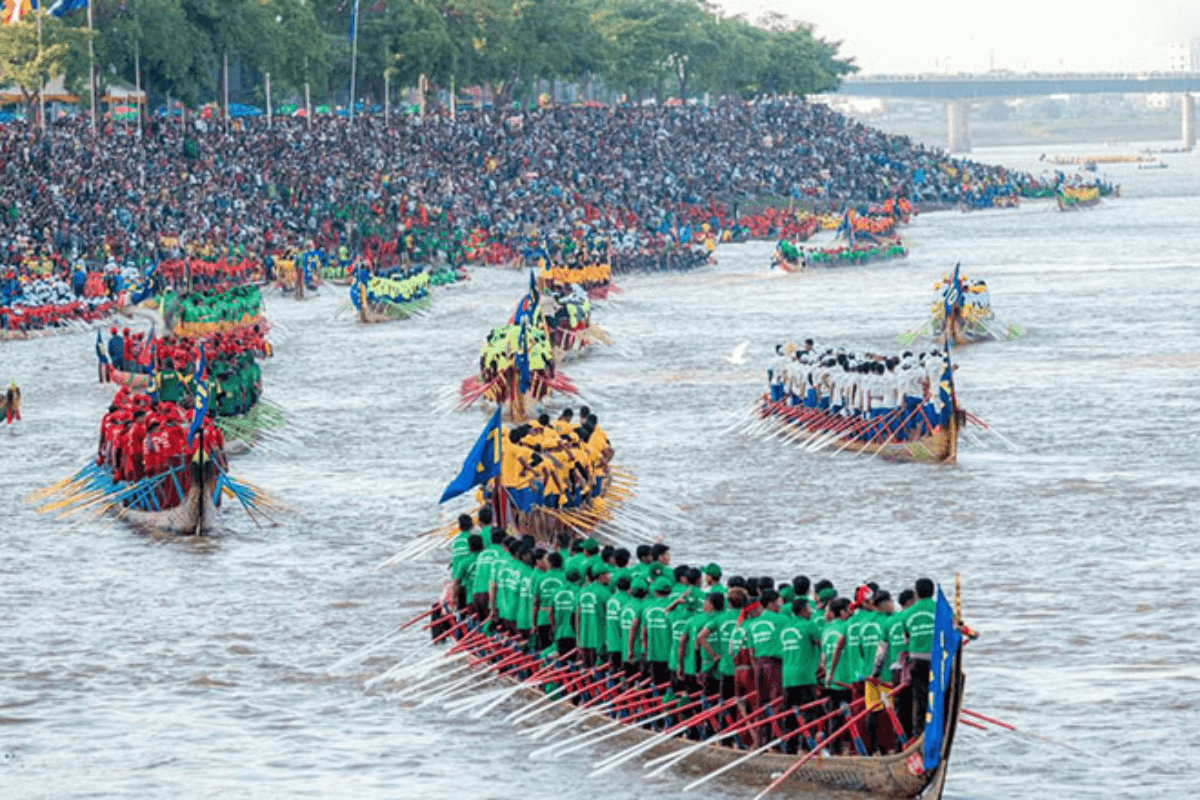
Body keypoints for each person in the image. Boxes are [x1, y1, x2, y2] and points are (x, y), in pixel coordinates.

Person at [904, 578, 937, 736]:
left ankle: (920, 733)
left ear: (916, 594)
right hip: (937, 661)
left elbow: (907, 637)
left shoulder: (907, 613)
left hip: (917, 661)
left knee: (920, 698)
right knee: (937, 696)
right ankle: (936, 730)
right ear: (933, 592)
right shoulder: (940, 609)